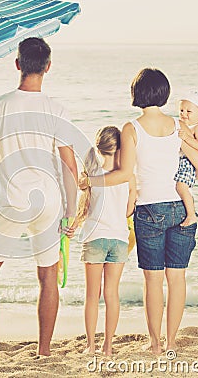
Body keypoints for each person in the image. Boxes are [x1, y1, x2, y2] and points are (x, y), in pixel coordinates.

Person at [77, 68, 198, 354]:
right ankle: (172, 342)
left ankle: (156, 344)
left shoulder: (131, 128)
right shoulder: (177, 126)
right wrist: (181, 182)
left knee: (153, 280)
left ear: (136, 93)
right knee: (177, 277)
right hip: (179, 207)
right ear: (164, 93)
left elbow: (124, 174)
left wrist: (90, 181)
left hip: (149, 211)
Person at [0, 37, 78, 359]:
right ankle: (44, 352)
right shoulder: (57, 109)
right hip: (49, 202)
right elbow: (69, 165)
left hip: (14, 203)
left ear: (17, 64)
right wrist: (71, 212)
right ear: (48, 66)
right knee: (48, 276)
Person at [67, 126, 136, 356]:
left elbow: (84, 207)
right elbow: (129, 210)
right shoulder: (128, 177)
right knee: (112, 295)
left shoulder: (91, 176)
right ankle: (108, 347)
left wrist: (74, 225)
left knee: (91, 296)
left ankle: (90, 346)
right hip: (118, 240)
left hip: (94, 239)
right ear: (121, 149)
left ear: (99, 148)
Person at [174, 90, 198, 226]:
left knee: (181, 186)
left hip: (188, 162)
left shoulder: (197, 128)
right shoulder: (184, 126)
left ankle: (191, 214)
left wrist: (186, 137)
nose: (183, 114)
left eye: (189, 111)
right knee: (180, 187)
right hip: (181, 161)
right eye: (181, 110)